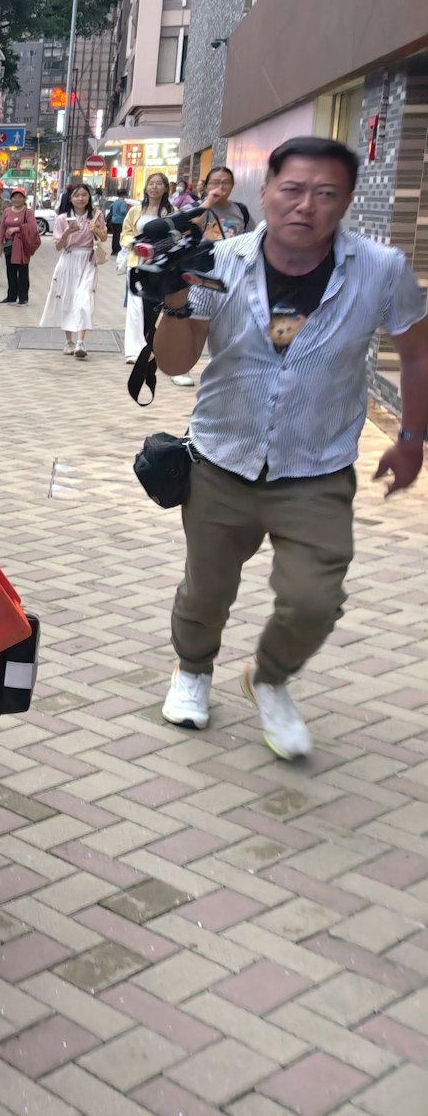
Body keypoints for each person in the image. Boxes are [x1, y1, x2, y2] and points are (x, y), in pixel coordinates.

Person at [153, 136, 426, 759]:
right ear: (267, 190)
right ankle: (193, 669)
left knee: (314, 601)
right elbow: (175, 363)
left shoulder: (380, 269)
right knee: (206, 590)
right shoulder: (220, 262)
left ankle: (269, 678)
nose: (306, 205)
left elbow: (417, 351)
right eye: (293, 189)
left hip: (317, 470)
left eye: (325, 193)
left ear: (347, 201)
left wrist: (412, 438)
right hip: (222, 461)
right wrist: (173, 303)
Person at [40, 183, 107, 357]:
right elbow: (58, 246)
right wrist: (67, 233)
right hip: (68, 260)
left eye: (84, 195)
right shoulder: (63, 219)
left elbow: (104, 237)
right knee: (67, 299)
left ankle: (80, 342)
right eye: (77, 195)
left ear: (89, 197)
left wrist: (96, 229)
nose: (81, 198)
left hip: (88, 260)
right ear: (70, 198)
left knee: (84, 300)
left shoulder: (96, 215)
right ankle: (68, 341)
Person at [122, 173, 177, 364]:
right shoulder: (135, 211)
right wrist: (136, 245)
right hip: (137, 263)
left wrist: (155, 251)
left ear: (165, 188)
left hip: (160, 265)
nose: (154, 187)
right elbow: (125, 234)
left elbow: (176, 237)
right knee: (135, 308)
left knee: (156, 308)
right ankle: (133, 350)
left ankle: (153, 345)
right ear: (146, 188)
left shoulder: (172, 212)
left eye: (159, 184)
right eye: (151, 184)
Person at [0, 189, 40, 306]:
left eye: (20, 197)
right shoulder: (7, 211)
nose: (17, 200)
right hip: (8, 245)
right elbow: (2, 227)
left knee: (22, 271)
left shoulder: (28, 212)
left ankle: (23, 298)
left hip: (22, 246)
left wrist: (16, 229)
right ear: (11, 199)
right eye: (14, 197)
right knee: (10, 271)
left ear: (24, 199)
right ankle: (11, 297)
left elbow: (32, 227)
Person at [196, 165, 254, 241]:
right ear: (206, 187)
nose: (220, 187)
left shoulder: (241, 210)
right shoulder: (193, 207)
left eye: (226, 183)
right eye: (215, 182)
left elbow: (250, 238)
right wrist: (208, 203)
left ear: (232, 186)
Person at [106, 186, 130, 258]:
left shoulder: (115, 202)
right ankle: (118, 250)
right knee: (119, 236)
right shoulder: (123, 202)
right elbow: (123, 211)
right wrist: (128, 212)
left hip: (113, 220)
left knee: (115, 236)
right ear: (124, 195)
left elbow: (111, 208)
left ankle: (114, 250)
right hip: (120, 221)